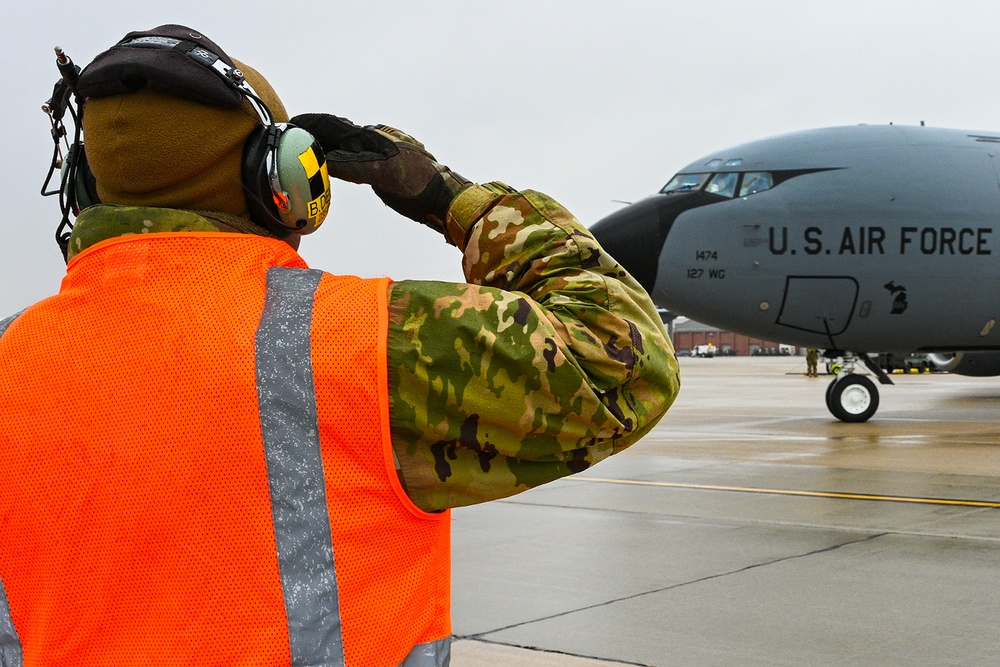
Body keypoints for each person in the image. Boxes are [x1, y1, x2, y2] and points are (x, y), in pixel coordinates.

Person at [0, 25, 680, 667]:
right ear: (280, 185)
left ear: (86, 184)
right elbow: (621, 355)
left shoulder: (10, 358)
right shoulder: (359, 342)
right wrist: (449, 196)